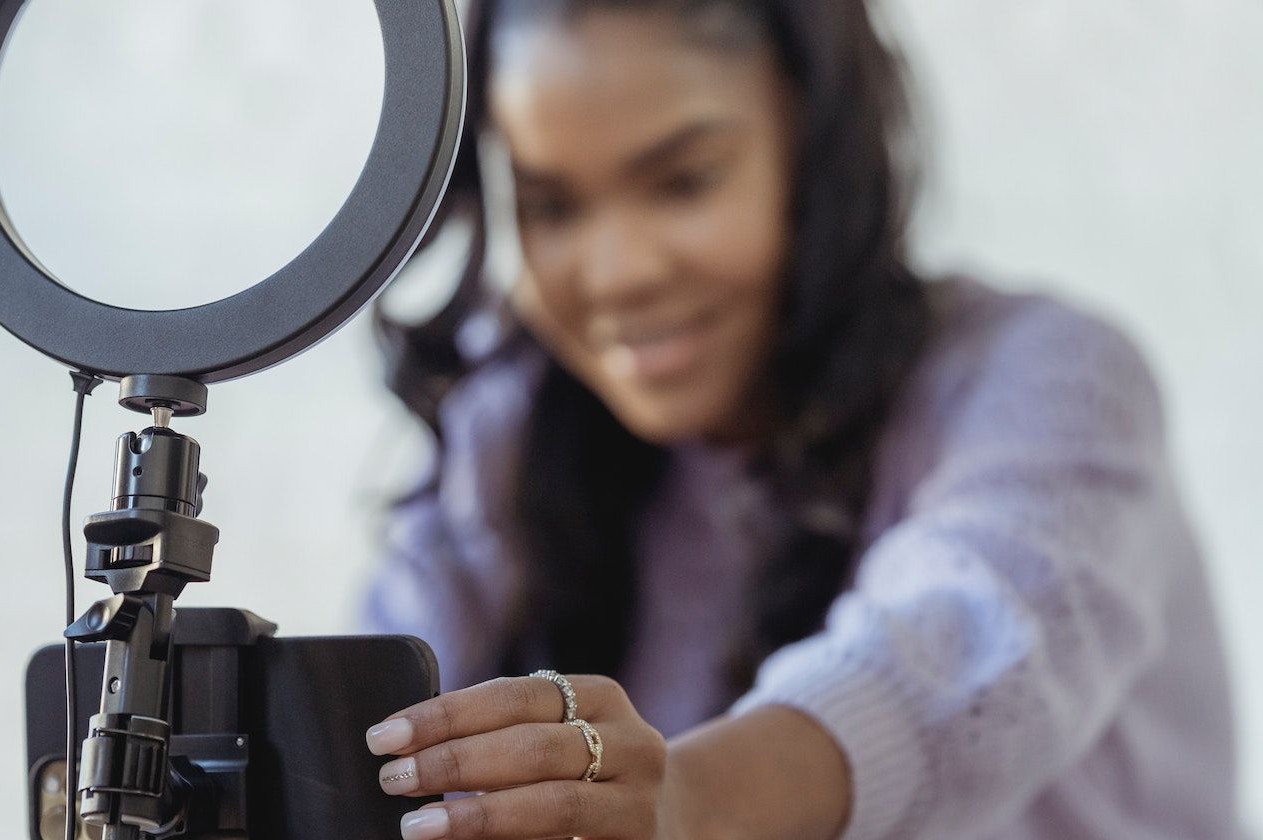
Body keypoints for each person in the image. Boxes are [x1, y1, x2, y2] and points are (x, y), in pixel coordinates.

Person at [358, 2, 1244, 839]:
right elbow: (372, 719)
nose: (618, 271)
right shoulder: (507, 431)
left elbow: (958, 647)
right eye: (551, 207)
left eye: (683, 182)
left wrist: (690, 802)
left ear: (817, 151)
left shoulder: (1049, 381)